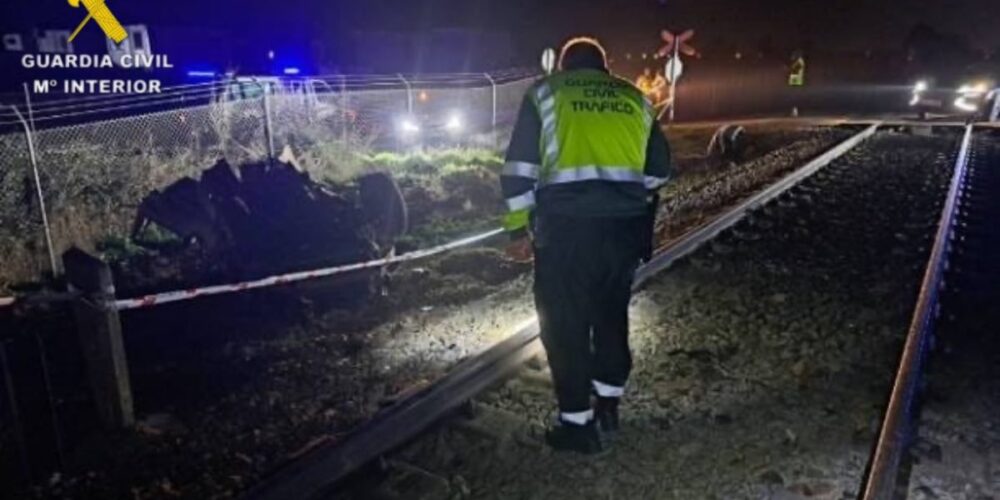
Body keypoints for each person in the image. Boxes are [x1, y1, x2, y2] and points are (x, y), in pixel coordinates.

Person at [500, 37, 673, 454]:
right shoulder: (634, 98)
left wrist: (516, 232)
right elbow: (659, 172)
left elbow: (519, 169)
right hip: (622, 229)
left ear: (563, 66)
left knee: (564, 323)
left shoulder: (545, 94)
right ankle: (609, 405)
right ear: (604, 66)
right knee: (611, 316)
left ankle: (576, 425)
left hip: (564, 231)